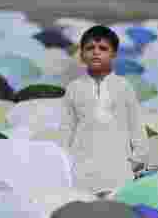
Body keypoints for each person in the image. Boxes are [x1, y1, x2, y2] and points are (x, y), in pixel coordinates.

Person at [61, 25, 148, 196]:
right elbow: (66, 128)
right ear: (81, 54)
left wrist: (138, 158)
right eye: (90, 48)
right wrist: (64, 161)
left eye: (103, 48)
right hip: (81, 169)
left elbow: (136, 125)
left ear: (114, 54)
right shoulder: (74, 88)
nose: (96, 53)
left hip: (119, 168)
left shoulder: (124, 86)